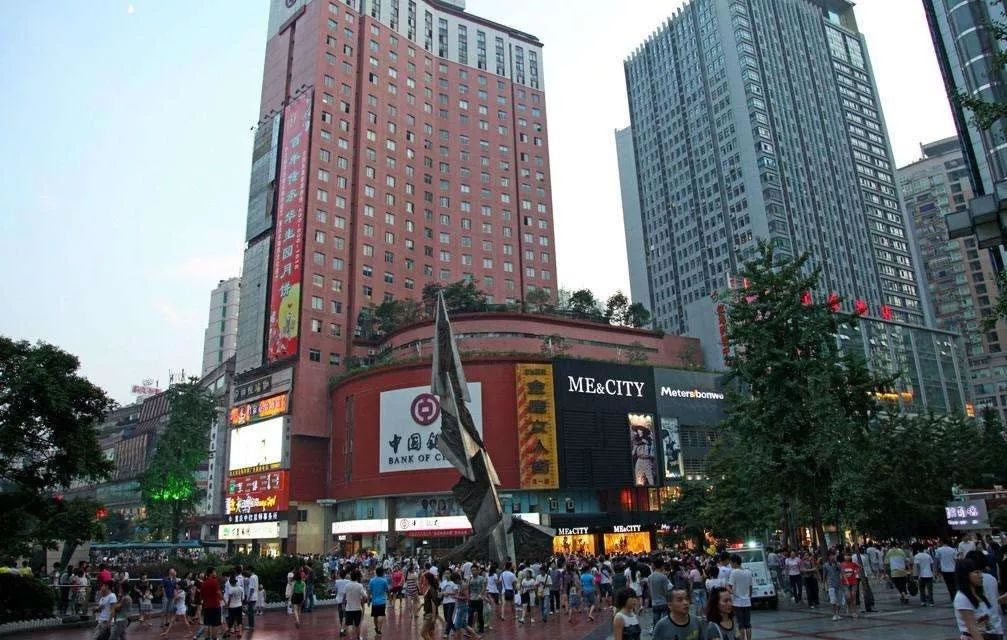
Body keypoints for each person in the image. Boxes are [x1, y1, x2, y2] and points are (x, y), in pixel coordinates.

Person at [966, 550, 1004, 639]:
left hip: (981, 629)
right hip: (996, 625)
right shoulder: (992, 579)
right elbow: (995, 598)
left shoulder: (970, 581)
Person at [954, 559, 995, 640]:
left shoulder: (978, 593)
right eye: (977, 572)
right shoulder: (962, 597)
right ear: (965, 575)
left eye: (981, 572)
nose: (981, 575)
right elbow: (972, 627)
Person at [727, 554, 752, 640]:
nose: (730, 564)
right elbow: (750, 587)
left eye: (731, 563)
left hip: (737, 602)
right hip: (747, 602)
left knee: (740, 624)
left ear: (735, 562)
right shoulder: (748, 572)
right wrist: (748, 597)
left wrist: (732, 592)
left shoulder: (734, 572)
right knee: (748, 624)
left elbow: (729, 587)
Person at [343, 570, 368, 640]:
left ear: (351, 577)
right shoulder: (359, 586)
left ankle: (351, 637)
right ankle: (358, 637)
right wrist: (362, 602)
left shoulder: (347, 586)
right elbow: (365, 596)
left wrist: (344, 605)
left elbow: (344, 597)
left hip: (348, 609)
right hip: (357, 608)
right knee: (357, 625)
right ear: (357, 577)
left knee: (349, 625)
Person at [199, 568, 222, 640]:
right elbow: (219, 593)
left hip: (206, 606)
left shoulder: (204, 583)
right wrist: (221, 599)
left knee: (207, 623)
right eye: (215, 572)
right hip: (215, 606)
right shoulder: (215, 582)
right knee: (215, 624)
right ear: (211, 573)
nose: (216, 573)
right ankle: (214, 638)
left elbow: (201, 596)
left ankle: (207, 637)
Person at [648, 558, 673, 627]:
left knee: (656, 622)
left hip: (654, 602)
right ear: (662, 566)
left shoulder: (650, 577)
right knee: (666, 622)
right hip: (663, 602)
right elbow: (667, 591)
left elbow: (649, 590)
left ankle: (656, 632)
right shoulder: (663, 577)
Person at [838, 552, 861, 620]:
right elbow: (841, 573)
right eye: (846, 555)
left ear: (850, 557)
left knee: (853, 597)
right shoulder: (841, 564)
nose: (847, 557)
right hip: (845, 583)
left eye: (848, 555)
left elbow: (860, 567)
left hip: (854, 582)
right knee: (848, 597)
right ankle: (848, 606)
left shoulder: (853, 564)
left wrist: (856, 572)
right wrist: (842, 579)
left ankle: (854, 612)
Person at [368, 566, 390, 636]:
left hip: (374, 601)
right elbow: (387, 590)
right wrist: (389, 597)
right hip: (382, 601)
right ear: (382, 573)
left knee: (375, 616)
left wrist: (368, 600)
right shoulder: (384, 581)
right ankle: (379, 630)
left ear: (376, 572)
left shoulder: (372, 580)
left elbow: (369, 591)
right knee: (381, 615)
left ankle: (376, 627)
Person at [418, 573, 440, 640]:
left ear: (427, 580)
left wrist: (433, 616)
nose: (423, 580)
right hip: (427, 612)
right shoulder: (428, 588)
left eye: (424, 578)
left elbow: (433, 603)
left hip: (430, 614)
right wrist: (421, 605)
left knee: (423, 633)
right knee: (429, 632)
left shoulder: (431, 589)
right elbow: (428, 601)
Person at [913, 543, 935, 607]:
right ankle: (931, 602)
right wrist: (933, 573)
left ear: (918, 549)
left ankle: (923, 601)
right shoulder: (928, 556)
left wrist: (917, 575)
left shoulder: (916, 556)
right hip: (929, 574)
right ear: (923, 549)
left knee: (922, 589)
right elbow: (932, 565)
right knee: (930, 590)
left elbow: (917, 567)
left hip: (921, 575)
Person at [823, 552, 843, 621]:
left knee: (839, 600)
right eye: (831, 556)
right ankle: (834, 614)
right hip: (831, 584)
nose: (832, 557)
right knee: (833, 600)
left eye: (833, 555)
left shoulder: (838, 564)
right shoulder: (826, 565)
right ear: (828, 557)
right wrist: (824, 585)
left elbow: (842, 572)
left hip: (839, 584)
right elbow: (824, 575)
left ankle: (838, 613)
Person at [468, 564, 488, 634]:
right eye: (472, 570)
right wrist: (468, 597)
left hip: (479, 599)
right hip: (471, 599)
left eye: (475, 570)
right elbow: (468, 589)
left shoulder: (481, 578)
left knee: (480, 615)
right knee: (470, 615)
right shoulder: (470, 579)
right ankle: (470, 629)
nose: (473, 572)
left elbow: (484, 587)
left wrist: (481, 595)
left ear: (478, 570)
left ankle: (481, 629)